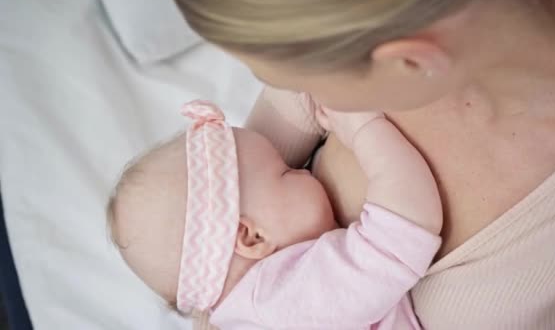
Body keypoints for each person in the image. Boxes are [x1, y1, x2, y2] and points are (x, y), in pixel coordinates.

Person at [172, 0, 555, 329]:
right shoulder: (345, 38)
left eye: (281, 77)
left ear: (412, 63)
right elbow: (213, 262)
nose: (301, 92)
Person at [107, 100, 442, 329]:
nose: (306, 169)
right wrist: (364, 128)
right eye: (286, 172)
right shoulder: (287, 298)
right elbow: (406, 226)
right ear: (251, 237)